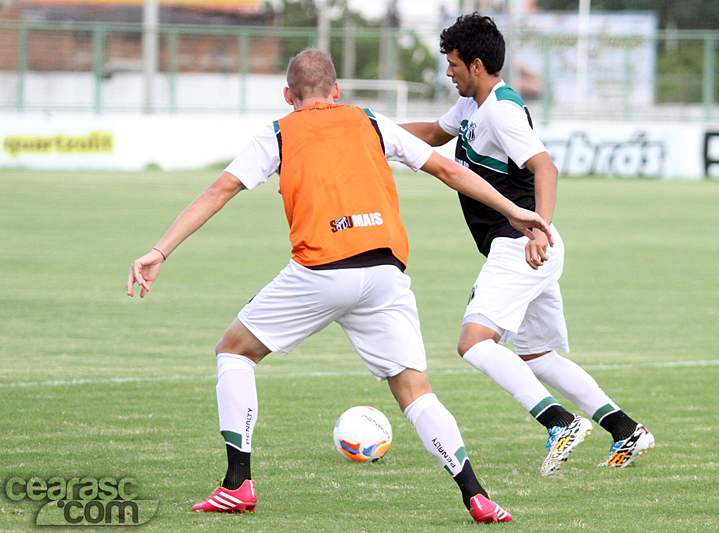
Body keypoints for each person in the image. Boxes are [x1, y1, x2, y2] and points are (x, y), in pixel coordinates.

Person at [126, 49, 557, 523]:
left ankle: (237, 485)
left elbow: (218, 191)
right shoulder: (369, 121)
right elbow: (448, 169)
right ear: (336, 91)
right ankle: (476, 495)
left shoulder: (278, 132)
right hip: (385, 276)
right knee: (416, 392)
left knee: (234, 351)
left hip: (320, 271)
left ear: (288, 96)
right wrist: (514, 210)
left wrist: (159, 250)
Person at [401, 14, 654, 475]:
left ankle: (558, 422)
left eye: (453, 64)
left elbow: (546, 167)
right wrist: (370, 131)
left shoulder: (500, 110)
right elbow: (434, 134)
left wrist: (538, 229)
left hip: (521, 245)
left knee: (474, 343)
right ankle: (626, 430)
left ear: (477, 65)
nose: (448, 72)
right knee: (537, 355)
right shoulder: (472, 107)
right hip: (530, 248)